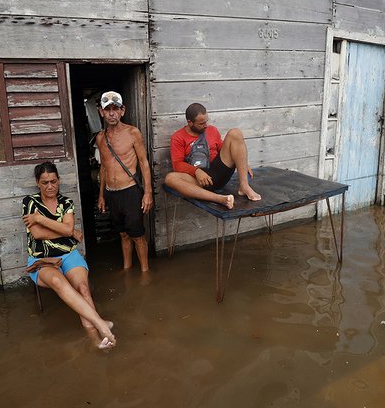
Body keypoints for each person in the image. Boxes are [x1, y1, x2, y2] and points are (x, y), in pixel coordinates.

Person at [22, 162, 116, 350]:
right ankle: (99, 327)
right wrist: (69, 232)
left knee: (82, 287)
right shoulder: (29, 202)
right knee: (58, 282)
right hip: (42, 259)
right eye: (45, 182)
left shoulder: (66, 202)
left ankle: (98, 338)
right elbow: (38, 235)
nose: (50, 186)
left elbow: (65, 228)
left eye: (53, 181)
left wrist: (41, 219)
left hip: (68, 254)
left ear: (59, 180)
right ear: (37, 183)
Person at [94, 91, 154, 272]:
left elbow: (144, 163)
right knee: (122, 234)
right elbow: (103, 167)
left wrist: (148, 193)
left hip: (130, 192)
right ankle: (127, 269)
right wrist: (101, 195)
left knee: (137, 235)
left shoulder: (132, 133)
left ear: (122, 111)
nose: (112, 113)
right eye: (107, 109)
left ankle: (145, 273)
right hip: (112, 194)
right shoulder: (100, 138)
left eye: (115, 109)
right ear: (101, 112)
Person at [165, 103, 261, 209]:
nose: (205, 125)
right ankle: (220, 199)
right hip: (198, 181)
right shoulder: (178, 137)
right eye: (201, 123)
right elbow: (177, 165)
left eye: (206, 121)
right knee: (170, 178)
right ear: (190, 122)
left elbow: (224, 148)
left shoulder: (212, 130)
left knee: (235, 133)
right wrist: (196, 172)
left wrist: (242, 163)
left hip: (218, 172)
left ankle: (244, 186)